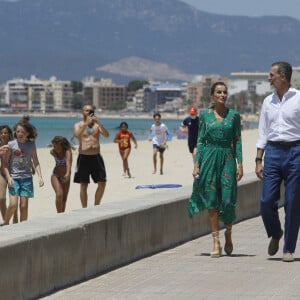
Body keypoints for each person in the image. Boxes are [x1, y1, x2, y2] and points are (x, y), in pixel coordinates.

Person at [188, 82, 243, 258]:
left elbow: (238, 140)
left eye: (225, 92)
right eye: (219, 92)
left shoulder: (234, 116)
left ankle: (228, 232)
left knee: (227, 199)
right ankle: (215, 241)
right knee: (211, 199)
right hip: (209, 159)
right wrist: (197, 163)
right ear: (212, 95)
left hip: (227, 158)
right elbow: (200, 140)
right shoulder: (204, 116)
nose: (222, 95)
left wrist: (240, 163)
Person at [255, 61, 300, 262]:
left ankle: (288, 248)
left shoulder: (299, 98)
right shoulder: (267, 101)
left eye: (271, 74)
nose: (268, 78)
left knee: (292, 203)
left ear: (283, 77)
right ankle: (275, 232)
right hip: (272, 151)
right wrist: (258, 158)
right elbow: (263, 131)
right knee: (266, 201)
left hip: (295, 151)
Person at [3, 119, 44, 225]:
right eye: (17, 131)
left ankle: (22, 227)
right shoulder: (11, 145)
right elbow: (5, 164)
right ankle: (6, 223)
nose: (20, 134)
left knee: (24, 206)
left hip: (27, 178)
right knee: (13, 204)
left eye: (22, 132)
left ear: (28, 133)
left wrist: (40, 177)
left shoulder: (31, 145)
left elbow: (36, 161)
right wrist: (8, 177)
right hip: (14, 178)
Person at [73, 104, 109, 208]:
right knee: (84, 185)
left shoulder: (97, 125)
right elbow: (77, 135)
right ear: (82, 112)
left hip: (96, 157)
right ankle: (84, 208)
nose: (89, 112)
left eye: (91, 110)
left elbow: (106, 135)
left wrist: (99, 123)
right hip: (84, 157)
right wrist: (85, 124)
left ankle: (96, 205)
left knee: (102, 182)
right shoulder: (78, 125)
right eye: (87, 110)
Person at [50, 136, 73, 213]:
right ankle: (58, 214)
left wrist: (67, 173)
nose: (56, 148)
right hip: (55, 175)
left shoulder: (67, 152)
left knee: (64, 198)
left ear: (62, 145)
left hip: (66, 176)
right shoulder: (53, 152)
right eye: (54, 146)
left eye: (58, 146)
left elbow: (68, 164)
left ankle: (62, 214)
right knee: (59, 194)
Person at [0, 125, 15, 222]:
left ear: (9, 134)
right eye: (1, 133)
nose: (3, 135)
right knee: (1, 199)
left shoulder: (14, 144)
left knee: (14, 202)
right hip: (2, 174)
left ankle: (16, 219)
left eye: (5, 133)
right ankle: (6, 222)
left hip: (14, 174)